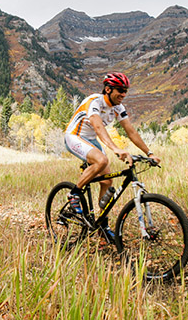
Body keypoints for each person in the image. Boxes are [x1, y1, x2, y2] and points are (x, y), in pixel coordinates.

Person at [63, 72, 161, 239]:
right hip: (74, 136)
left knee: (107, 181)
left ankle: (102, 225)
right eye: (120, 90)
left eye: (125, 91)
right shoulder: (95, 102)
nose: (123, 94)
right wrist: (116, 149)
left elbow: (131, 131)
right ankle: (74, 193)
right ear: (107, 89)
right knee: (102, 160)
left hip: (91, 140)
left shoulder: (118, 108)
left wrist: (149, 153)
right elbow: (98, 127)